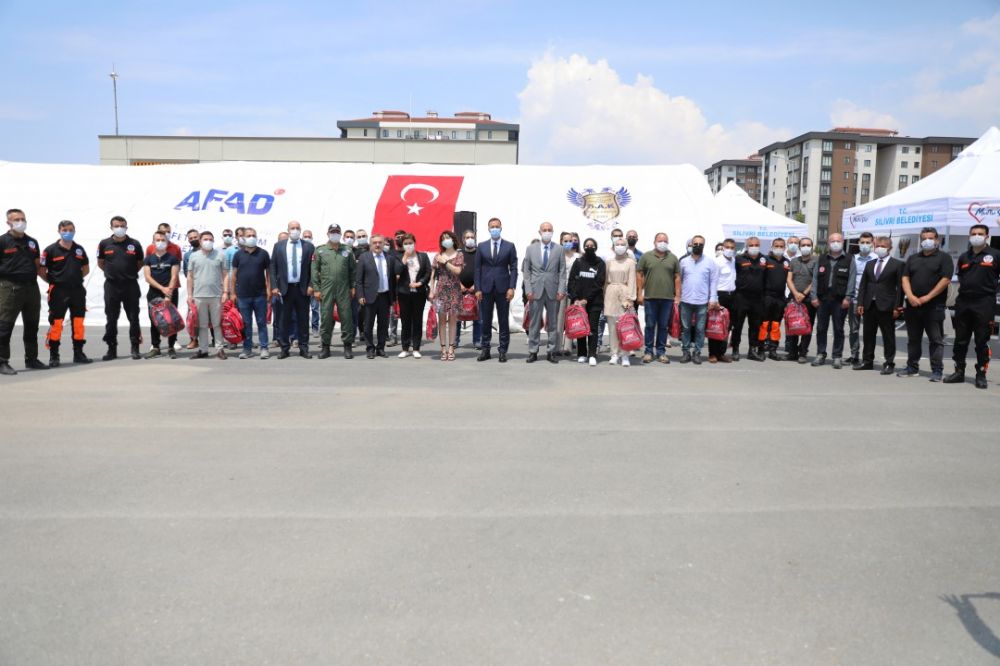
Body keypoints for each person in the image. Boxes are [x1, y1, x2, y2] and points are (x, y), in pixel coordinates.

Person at [943, 224, 1000, 389]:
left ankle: (981, 373)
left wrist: (992, 292)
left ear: (987, 236)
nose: (976, 236)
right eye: (973, 233)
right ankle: (959, 371)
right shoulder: (964, 257)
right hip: (964, 302)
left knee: (982, 341)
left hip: (984, 303)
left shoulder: (995, 255)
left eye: (980, 233)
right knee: (960, 340)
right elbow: (961, 277)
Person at [898, 227, 953, 381]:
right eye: (924, 238)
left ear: (937, 240)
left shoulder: (944, 258)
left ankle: (936, 370)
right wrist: (910, 296)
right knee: (913, 339)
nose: (927, 241)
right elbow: (905, 278)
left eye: (931, 238)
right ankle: (912, 367)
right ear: (921, 240)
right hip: (913, 306)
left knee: (935, 340)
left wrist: (927, 297)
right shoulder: (913, 258)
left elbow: (945, 280)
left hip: (933, 307)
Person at [0, 209, 46, 375]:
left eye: (23, 219)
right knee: (5, 325)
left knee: (32, 324)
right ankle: (2, 361)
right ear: (9, 223)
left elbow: (37, 264)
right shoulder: (3, 241)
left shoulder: (32, 242)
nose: (21, 222)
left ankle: (31, 359)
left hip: (31, 287)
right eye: (17, 219)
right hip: (10, 287)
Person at [40, 220, 92, 366]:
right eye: (64, 230)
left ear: (74, 230)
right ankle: (54, 355)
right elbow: (42, 270)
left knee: (78, 322)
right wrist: (55, 281)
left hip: (77, 290)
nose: (68, 232)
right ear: (59, 231)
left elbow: (86, 268)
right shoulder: (50, 250)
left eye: (70, 229)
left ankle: (78, 353)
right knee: (56, 323)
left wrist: (74, 279)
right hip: (58, 291)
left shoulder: (79, 249)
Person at [853, 236, 903, 374]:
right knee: (868, 334)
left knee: (888, 335)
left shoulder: (897, 264)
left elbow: (900, 288)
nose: (880, 248)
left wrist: (897, 307)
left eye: (883, 246)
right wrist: (860, 302)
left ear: (890, 248)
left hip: (887, 306)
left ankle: (889, 363)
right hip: (869, 304)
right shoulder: (870, 263)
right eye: (878, 246)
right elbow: (863, 285)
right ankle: (867, 361)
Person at [98, 215, 145, 361]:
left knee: (134, 318)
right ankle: (111, 348)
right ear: (111, 227)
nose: (120, 228)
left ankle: (135, 347)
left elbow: (139, 263)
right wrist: (112, 273)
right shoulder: (104, 244)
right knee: (111, 318)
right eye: (117, 226)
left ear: (126, 227)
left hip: (130, 285)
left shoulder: (134, 244)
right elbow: (101, 263)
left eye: (122, 226)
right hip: (112, 286)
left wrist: (127, 273)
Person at [474, 217, 518, 363]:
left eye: (497, 226)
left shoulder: (509, 246)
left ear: (501, 228)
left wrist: (512, 287)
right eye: (492, 226)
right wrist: (478, 288)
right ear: (488, 229)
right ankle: (485, 349)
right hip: (485, 289)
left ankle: (503, 351)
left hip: (503, 288)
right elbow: (477, 269)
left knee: (503, 320)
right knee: (485, 320)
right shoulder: (481, 246)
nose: (494, 229)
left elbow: (513, 268)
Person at [810, 232, 855, 369]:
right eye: (833, 241)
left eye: (838, 241)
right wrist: (813, 297)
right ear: (828, 243)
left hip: (840, 300)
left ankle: (837, 356)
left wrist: (848, 297)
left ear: (842, 242)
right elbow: (815, 279)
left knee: (838, 329)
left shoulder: (849, 259)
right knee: (821, 328)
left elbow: (851, 279)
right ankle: (820, 354)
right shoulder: (821, 258)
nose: (835, 243)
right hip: (822, 299)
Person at [311, 224, 356, 360]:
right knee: (325, 318)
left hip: (343, 289)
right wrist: (317, 289)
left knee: (346, 318)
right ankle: (325, 347)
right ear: (328, 234)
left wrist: (353, 287)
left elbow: (352, 271)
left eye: (337, 232)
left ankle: (347, 346)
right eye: (332, 232)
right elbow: (314, 271)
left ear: (340, 234)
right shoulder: (320, 251)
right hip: (326, 289)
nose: (334, 234)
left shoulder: (347, 251)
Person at [523, 222, 567, 364]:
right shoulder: (531, 249)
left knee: (553, 322)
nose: (547, 232)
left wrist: (561, 290)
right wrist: (528, 289)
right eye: (544, 230)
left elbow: (562, 272)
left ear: (553, 232)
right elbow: (527, 271)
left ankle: (551, 351)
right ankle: (533, 351)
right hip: (535, 291)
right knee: (534, 322)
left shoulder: (559, 249)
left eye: (549, 230)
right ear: (539, 232)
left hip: (553, 291)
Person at [271, 221, 314, 359]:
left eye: (297, 228)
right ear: (288, 230)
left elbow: (313, 269)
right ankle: (284, 348)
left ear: (300, 230)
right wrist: (274, 286)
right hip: (285, 289)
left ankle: (303, 347)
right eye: (292, 228)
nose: (295, 230)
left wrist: (311, 285)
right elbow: (273, 268)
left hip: (302, 289)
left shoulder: (308, 246)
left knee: (303, 319)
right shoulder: (279, 246)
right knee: (283, 319)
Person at [636, 232, 680, 364]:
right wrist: (639, 294)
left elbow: (677, 277)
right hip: (650, 298)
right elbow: (639, 274)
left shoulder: (673, 258)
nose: (663, 243)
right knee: (649, 325)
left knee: (663, 326)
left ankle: (661, 352)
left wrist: (678, 295)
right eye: (660, 240)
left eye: (665, 241)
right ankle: (648, 352)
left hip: (667, 299)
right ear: (654, 242)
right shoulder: (646, 257)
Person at [677, 235, 720, 365]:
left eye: (700, 244)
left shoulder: (710, 263)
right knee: (685, 328)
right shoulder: (683, 262)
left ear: (704, 246)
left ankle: (697, 352)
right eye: (695, 244)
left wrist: (713, 299)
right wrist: (677, 296)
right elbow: (679, 280)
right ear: (691, 244)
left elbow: (713, 282)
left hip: (702, 301)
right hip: (686, 300)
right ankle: (685, 352)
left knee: (700, 329)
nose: (697, 246)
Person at [230, 227, 272, 360]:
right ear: (243, 238)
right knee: (246, 324)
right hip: (243, 296)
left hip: (260, 295)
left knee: (261, 322)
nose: (251, 237)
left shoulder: (263, 253)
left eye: (254, 235)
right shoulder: (238, 255)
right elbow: (234, 275)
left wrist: (269, 289)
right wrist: (232, 293)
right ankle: (247, 349)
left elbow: (268, 274)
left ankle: (264, 348)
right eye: (249, 235)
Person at [186, 231, 227, 360]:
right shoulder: (194, 256)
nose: (208, 241)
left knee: (217, 324)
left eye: (210, 239)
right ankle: (203, 350)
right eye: (205, 239)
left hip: (216, 295)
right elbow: (190, 277)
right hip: (198, 295)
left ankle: (220, 349)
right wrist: (189, 295)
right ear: (200, 240)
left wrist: (225, 292)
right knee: (202, 325)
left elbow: (225, 275)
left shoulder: (220, 255)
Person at [356, 233, 397, 359]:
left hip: (385, 296)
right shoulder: (364, 257)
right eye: (375, 243)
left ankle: (380, 348)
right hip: (369, 296)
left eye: (380, 242)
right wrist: (360, 295)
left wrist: (393, 297)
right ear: (371, 244)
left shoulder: (389, 258)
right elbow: (359, 280)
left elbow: (392, 280)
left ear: (384, 243)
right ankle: (370, 348)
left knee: (383, 325)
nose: (378, 245)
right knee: (368, 324)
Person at [141, 230, 180, 359]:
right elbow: (147, 277)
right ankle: (156, 347)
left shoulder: (172, 258)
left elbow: (174, 276)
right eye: (157, 240)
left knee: (171, 320)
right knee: (155, 321)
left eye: (163, 240)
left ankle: (171, 347)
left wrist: (168, 294)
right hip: (154, 293)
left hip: (170, 293)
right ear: (153, 242)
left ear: (167, 242)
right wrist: (161, 288)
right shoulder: (148, 259)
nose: (160, 242)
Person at [567, 238, 606, 366]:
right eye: (587, 245)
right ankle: (582, 353)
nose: (589, 247)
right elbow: (572, 281)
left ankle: (592, 354)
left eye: (592, 245)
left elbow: (599, 282)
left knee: (593, 328)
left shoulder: (600, 262)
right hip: (579, 302)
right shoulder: (578, 262)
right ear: (584, 247)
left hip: (594, 301)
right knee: (580, 326)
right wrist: (576, 298)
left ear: (596, 247)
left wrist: (586, 299)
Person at [392, 233, 430, 359]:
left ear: (414, 243)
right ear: (402, 245)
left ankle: (416, 348)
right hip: (404, 293)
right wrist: (405, 258)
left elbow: (428, 272)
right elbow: (396, 271)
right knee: (405, 321)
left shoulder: (423, 256)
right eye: (406, 243)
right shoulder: (398, 257)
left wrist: (420, 283)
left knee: (417, 320)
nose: (408, 245)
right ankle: (405, 348)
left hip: (419, 293)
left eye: (410, 243)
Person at [429, 230, 464, 361]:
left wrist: (445, 262)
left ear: (453, 239)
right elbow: (433, 275)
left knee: (453, 321)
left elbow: (457, 271)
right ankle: (443, 348)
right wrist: (431, 291)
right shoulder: (437, 255)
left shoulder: (459, 255)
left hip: (454, 290)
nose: (446, 240)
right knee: (442, 321)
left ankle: (451, 348)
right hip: (441, 290)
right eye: (443, 238)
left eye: (448, 237)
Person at [603, 236, 637, 366]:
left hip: (624, 293)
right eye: (617, 244)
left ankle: (625, 355)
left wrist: (630, 298)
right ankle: (614, 354)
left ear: (627, 247)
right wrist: (605, 296)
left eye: (623, 244)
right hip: (611, 293)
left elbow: (632, 281)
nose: (620, 246)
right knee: (612, 327)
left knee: (625, 326)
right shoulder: (609, 261)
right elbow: (605, 281)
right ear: (613, 246)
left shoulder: (630, 262)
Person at [731, 236, 766, 362]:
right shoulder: (739, 259)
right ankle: (735, 349)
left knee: (755, 326)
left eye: (756, 245)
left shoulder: (764, 259)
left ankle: (752, 350)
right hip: (741, 297)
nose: (754, 247)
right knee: (738, 325)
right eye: (751, 245)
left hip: (757, 298)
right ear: (747, 246)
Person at [785, 237, 818, 363]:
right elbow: (789, 279)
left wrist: (803, 294)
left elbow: (815, 280)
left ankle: (803, 352)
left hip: (809, 298)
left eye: (808, 245)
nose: (805, 247)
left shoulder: (816, 261)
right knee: (792, 324)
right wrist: (795, 293)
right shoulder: (794, 261)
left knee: (806, 327)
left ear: (812, 246)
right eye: (803, 245)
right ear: (799, 247)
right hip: (794, 298)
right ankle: (792, 352)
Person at [847, 232, 877, 365]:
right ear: (858, 243)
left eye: (868, 242)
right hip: (854, 299)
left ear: (872, 243)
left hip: (870, 300)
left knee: (869, 330)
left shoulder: (876, 259)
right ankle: (854, 355)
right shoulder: (853, 258)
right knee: (854, 329)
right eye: (862, 242)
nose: (865, 245)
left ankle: (868, 356)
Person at [759, 237, 790, 361]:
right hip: (766, 297)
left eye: (781, 246)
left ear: (784, 247)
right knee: (764, 324)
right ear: (772, 247)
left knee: (776, 325)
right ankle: (760, 349)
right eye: (776, 246)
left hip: (780, 298)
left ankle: (773, 350)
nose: (779, 248)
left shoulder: (786, 262)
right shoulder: (765, 260)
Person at [596, 227, 627, 350]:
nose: (617, 237)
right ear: (611, 237)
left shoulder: (628, 254)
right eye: (615, 235)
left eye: (620, 235)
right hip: (607, 290)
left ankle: (620, 345)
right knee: (602, 318)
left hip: (622, 292)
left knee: (621, 319)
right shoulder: (604, 254)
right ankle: (597, 344)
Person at [709, 237, 737, 363]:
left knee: (727, 326)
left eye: (732, 248)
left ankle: (721, 353)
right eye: (727, 247)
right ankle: (713, 354)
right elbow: (712, 282)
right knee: (715, 325)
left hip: (732, 296)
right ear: (723, 248)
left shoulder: (734, 261)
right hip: (720, 296)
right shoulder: (717, 262)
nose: (729, 250)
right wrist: (714, 299)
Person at [555, 231, 581, 357]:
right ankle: (557, 346)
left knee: (571, 319)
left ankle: (568, 347)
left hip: (573, 291)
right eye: (565, 241)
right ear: (561, 242)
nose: (568, 243)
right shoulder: (556, 255)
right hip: (560, 291)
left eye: (570, 241)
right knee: (559, 319)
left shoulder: (578, 257)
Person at [455, 228, 481, 350]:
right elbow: (453, 272)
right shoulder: (458, 254)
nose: (470, 239)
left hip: (477, 289)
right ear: (463, 240)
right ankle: (455, 340)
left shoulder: (480, 253)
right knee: (457, 317)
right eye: (467, 237)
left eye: (472, 237)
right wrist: (460, 285)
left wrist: (476, 286)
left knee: (478, 317)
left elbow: (483, 271)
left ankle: (477, 341)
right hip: (459, 289)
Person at [301, 229, 320, 336]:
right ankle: (304, 328)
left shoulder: (316, 250)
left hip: (313, 284)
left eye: (309, 236)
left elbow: (317, 269)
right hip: (302, 285)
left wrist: (313, 284)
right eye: (305, 236)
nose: (307, 238)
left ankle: (315, 328)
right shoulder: (299, 249)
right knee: (303, 309)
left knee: (315, 308)